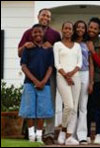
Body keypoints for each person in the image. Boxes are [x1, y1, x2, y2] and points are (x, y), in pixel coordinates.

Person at [18, 8, 61, 144]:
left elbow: (59, 51)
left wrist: (52, 47)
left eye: (48, 16)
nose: (46, 18)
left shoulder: (55, 34)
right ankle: (31, 134)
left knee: (47, 104)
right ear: (38, 16)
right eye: (43, 15)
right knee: (30, 105)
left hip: (48, 75)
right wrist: (25, 45)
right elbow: (20, 54)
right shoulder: (27, 33)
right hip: (31, 76)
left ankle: (47, 134)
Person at [54, 22, 82, 145]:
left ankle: (69, 137)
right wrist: (66, 75)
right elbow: (57, 63)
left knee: (74, 108)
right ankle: (63, 130)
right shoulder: (57, 45)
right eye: (66, 28)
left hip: (75, 77)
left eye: (70, 29)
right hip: (61, 77)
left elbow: (79, 63)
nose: (68, 31)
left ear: (72, 31)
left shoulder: (77, 46)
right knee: (69, 106)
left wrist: (71, 74)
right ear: (62, 29)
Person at [72, 20, 94, 145]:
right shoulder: (71, 43)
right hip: (74, 74)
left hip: (85, 74)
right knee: (73, 106)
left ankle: (82, 135)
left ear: (85, 30)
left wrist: (91, 82)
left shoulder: (88, 44)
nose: (80, 29)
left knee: (83, 107)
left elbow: (91, 64)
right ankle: (72, 134)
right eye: (78, 27)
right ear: (75, 29)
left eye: (82, 27)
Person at [86, 17, 100, 145]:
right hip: (82, 80)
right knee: (86, 108)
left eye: (95, 28)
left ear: (99, 31)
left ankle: (99, 134)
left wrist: (92, 50)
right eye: (90, 27)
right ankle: (86, 134)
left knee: (98, 108)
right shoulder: (81, 40)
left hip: (98, 80)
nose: (92, 30)